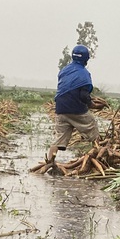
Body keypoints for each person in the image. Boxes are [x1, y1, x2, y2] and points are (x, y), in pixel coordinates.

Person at [45, 44, 101, 173]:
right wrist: (92, 105)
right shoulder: (84, 73)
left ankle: (50, 163)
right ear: (86, 59)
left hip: (60, 109)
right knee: (92, 126)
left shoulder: (64, 70)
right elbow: (83, 95)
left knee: (59, 139)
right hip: (76, 109)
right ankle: (99, 157)